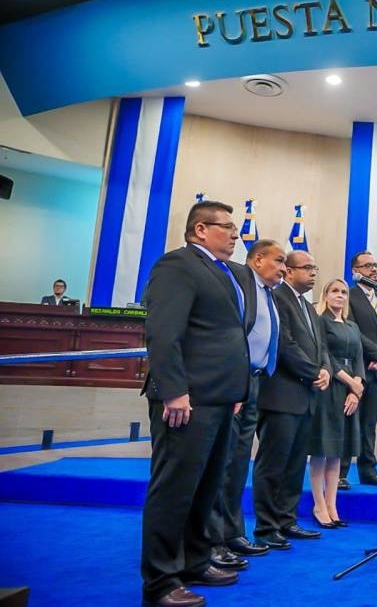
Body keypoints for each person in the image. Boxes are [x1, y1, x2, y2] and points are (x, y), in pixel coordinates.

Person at [140, 201, 248, 607]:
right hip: (187, 399)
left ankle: (196, 559)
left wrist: (235, 392)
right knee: (175, 489)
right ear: (200, 230)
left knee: (206, 487)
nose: (235, 234)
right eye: (228, 227)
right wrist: (173, 390)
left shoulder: (222, 272)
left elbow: (223, 335)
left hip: (220, 399)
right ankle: (160, 583)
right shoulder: (177, 265)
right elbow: (163, 332)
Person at [207, 239, 286, 571]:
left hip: (254, 382)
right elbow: (231, 334)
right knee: (221, 465)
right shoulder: (239, 281)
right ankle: (211, 541)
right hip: (233, 381)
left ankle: (232, 532)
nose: (284, 268)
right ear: (256, 260)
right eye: (279, 261)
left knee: (239, 463)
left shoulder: (269, 294)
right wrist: (235, 382)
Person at [252, 250, 331, 550]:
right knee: (274, 463)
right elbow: (285, 344)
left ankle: (286, 519)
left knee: (296, 463)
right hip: (281, 395)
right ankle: (266, 526)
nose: (313, 273)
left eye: (315, 267)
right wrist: (314, 372)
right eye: (307, 268)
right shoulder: (277, 298)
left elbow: (320, 345)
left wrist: (325, 370)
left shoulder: (310, 308)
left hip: (307, 395)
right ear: (288, 270)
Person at [307, 278, 362, 528]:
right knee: (322, 448)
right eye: (334, 291)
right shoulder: (321, 322)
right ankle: (318, 504)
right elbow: (325, 355)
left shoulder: (351, 325)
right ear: (325, 295)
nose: (339, 295)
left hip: (349, 390)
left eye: (343, 292)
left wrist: (356, 390)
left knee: (337, 451)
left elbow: (359, 357)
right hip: (330, 386)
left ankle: (333, 505)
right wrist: (351, 382)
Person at [340, 251, 377, 488]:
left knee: (369, 424)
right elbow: (351, 329)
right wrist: (375, 353)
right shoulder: (349, 297)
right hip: (355, 369)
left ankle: (368, 471)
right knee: (348, 421)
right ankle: (340, 472)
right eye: (368, 266)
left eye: (375, 264)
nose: (373, 269)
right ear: (355, 271)